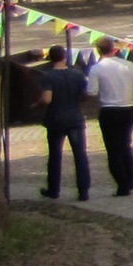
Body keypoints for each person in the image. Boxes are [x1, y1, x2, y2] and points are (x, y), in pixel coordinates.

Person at [86, 48, 133, 196]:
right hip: (128, 109)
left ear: (98, 51)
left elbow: (92, 91)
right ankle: (131, 176)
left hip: (109, 110)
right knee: (125, 144)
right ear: (113, 49)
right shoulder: (128, 65)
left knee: (113, 149)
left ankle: (122, 183)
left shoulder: (97, 68)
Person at [32, 45, 93, 201]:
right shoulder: (78, 75)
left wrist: (36, 105)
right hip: (75, 119)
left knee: (55, 155)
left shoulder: (48, 76)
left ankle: (54, 190)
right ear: (65, 56)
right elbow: (86, 95)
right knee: (80, 154)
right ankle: (83, 191)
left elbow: (47, 99)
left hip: (55, 119)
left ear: (50, 58)